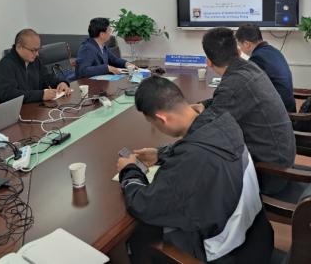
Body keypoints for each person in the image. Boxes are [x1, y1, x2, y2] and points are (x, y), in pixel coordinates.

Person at [117, 76, 274, 264]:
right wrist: (161, 153)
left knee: (140, 237)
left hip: (231, 255)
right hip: (257, 238)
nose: (155, 127)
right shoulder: (222, 121)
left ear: (162, 118)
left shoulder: (191, 160)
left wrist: (129, 170)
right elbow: (200, 147)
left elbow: (145, 205)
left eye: (152, 123)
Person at [193, 27, 296, 195]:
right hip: (281, 159)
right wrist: (204, 105)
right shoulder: (249, 68)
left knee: (200, 165)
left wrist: (163, 152)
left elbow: (204, 130)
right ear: (239, 52)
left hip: (269, 174)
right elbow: (233, 99)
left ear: (208, 62)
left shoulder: (233, 84)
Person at [0, 29, 71, 104]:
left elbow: (46, 78)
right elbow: (8, 94)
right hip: (16, 109)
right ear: (18, 48)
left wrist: (60, 83)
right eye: (33, 50)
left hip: (35, 107)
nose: (37, 54)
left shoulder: (34, 61)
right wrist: (41, 95)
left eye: (38, 49)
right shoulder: (5, 65)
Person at [235, 24, 297, 113]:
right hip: (287, 105)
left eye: (239, 45)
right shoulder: (272, 50)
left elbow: (248, 86)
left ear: (247, 44)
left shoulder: (258, 58)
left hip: (279, 112)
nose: (240, 49)